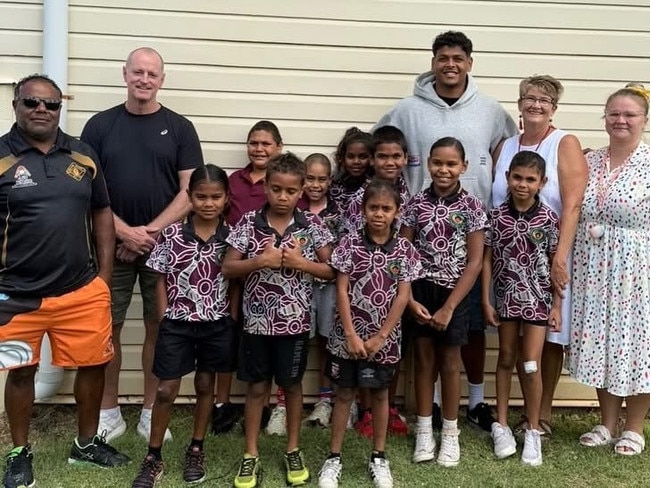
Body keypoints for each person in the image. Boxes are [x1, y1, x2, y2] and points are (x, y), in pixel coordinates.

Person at [375, 30, 518, 431]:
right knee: (424, 332)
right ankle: (431, 405)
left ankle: (474, 401)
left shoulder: (490, 111)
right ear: (433, 61)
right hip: (419, 237)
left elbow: (507, 156)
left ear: (470, 62)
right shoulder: (406, 110)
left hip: (471, 237)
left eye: (458, 58)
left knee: (468, 326)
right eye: (443, 57)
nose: (450, 64)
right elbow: (383, 152)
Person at [0, 74, 130, 488]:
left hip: (81, 289)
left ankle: (86, 444)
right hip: (16, 295)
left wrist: (104, 278)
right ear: (16, 105)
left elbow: (102, 214)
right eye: (32, 102)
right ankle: (19, 453)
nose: (41, 110)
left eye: (51, 104)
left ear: (60, 108)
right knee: (22, 373)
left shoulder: (83, 154)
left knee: (94, 364)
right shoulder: (1, 156)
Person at [80, 47, 204, 442]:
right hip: (108, 246)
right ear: (125, 74)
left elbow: (190, 192)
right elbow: (85, 189)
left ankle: (152, 410)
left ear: (161, 79)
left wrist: (146, 233)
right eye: (138, 72)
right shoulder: (99, 127)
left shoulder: (180, 128)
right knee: (107, 327)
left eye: (152, 74)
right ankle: (109, 411)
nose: (144, 79)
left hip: (163, 250)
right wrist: (122, 232)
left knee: (160, 326)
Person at [223, 153, 334, 488]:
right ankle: (251, 454)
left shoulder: (312, 226)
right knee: (257, 387)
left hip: (296, 324)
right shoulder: (248, 223)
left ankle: (292, 448)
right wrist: (260, 260)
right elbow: (228, 267)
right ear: (267, 188)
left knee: (292, 385)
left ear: (301, 191)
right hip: (256, 324)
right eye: (276, 189)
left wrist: (303, 265)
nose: (282, 197)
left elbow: (332, 269)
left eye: (290, 191)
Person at [492, 75, 587, 437]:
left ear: (554, 108)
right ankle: (516, 412)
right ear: (519, 104)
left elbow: (573, 204)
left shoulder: (564, 143)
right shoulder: (506, 146)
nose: (535, 105)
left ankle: (541, 414)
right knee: (513, 338)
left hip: (549, 256)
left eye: (544, 100)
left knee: (548, 337)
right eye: (529, 98)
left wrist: (559, 259)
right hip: (509, 263)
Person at [131, 165, 237, 487]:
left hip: (216, 323)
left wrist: (231, 316)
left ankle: (196, 448)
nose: (208, 203)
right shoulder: (173, 234)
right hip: (177, 323)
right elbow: (160, 278)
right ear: (189, 197)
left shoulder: (231, 237)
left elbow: (234, 279)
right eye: (201, 196)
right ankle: (153, 455)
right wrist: (164, 315)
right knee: (166, 389)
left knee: (206, 384)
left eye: (215, 197)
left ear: (226, 198)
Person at [317, 179, 423, 488]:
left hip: (384, 340)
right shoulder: (349, 243)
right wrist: (350, 334)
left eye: (386, 209)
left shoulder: (404, 248)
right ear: (363, 210)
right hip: (346, 336)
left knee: (380, 394)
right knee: (344, 394)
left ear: (397, 212)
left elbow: (403, 296)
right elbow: (341, 288)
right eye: (373, 208)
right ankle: (333, 458)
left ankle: (379, 456)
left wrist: (381, 336)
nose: (379, 214)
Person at [569, 84, 650, 456]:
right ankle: (606, 421)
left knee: (637, 343)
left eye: (629, 114)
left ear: (644, 120)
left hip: (637, 268)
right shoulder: (590, 160)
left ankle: (633, 428)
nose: (621, 120)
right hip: (594, 267)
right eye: (614, 113)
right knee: (602, 340)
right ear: (604, 118)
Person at [401, 137, 487, 467]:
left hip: (456, 293)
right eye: (437, 162)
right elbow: (404, 254)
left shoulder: (472, 207)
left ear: (463, 167)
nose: (443, 169)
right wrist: (408, 298)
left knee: (450, 363)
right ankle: (424, 431)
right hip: (421, 290)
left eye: (451, 164)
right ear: (428, 164)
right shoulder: (415, 204)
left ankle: (450, 434)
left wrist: (450, 306)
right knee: (423, 362)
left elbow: (476, 261)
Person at [483, 151, 562, 466]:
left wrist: (556, 305)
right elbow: (487, 260)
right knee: (505, 359)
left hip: (537, 302)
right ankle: (501, 425)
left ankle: (532, 429)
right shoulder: (496, 216)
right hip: (504, 300)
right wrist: (485, 300)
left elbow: (556, 266)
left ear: (542, 183)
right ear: (507, 178)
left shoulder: (548, 219)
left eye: (530, 180)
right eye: (517, 177)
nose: (523, 184)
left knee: (530, 363)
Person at [338, 125, 411, 438]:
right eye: (382, 156)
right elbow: (352, 242)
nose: (389, 162)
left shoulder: (408, 196)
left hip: (395, 284)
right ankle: (365, 409)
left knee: (390, 351)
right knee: (361, 353)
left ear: (406, 159)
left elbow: (406, 245)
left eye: (396, 156)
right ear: (372, 160)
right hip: (359, 289)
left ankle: (386, 405)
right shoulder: (359, 198)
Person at [302, 153, 340, 428]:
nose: (315, 185)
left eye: (322, 179)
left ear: (330, 180)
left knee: (327, 342)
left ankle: (325, 401)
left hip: (328, 286)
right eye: (310, 178)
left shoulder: (337, 211)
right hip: (297, 286)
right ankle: (283, 401)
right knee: (296, 341)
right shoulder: (293, 207)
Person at [328, 127, 373, 211]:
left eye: (362, 157)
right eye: (351, 156)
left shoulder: (376, 188)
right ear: (342, 157)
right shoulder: (333, 186)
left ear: (372, 158)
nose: (356, 161)